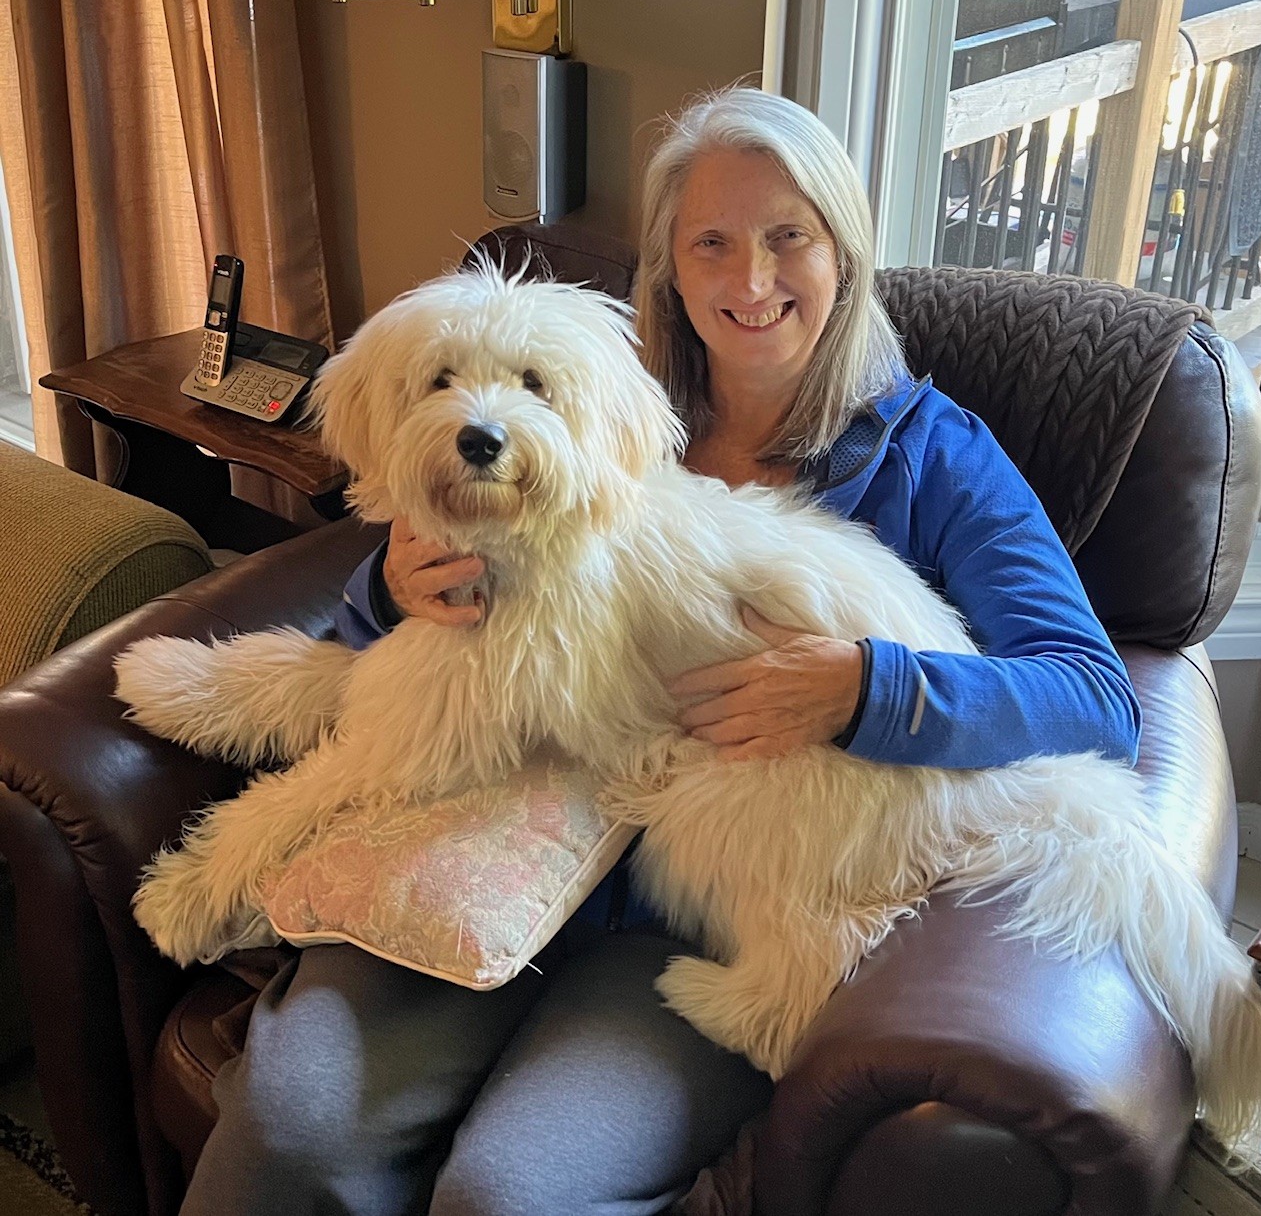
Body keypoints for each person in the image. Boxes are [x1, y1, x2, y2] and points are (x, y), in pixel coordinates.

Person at [179, 87, 1140, 1216]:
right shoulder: (579, 395)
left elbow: (1092, 696)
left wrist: (862, 689)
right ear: (669, 272)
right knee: (290, 1123)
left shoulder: (937, 460)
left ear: (844, 250)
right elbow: (394, 638)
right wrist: (392, 589)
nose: (750, 281)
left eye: (790, 236)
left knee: (510, 1193)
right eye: (710, 244)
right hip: (488, 826)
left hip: (697, 905)